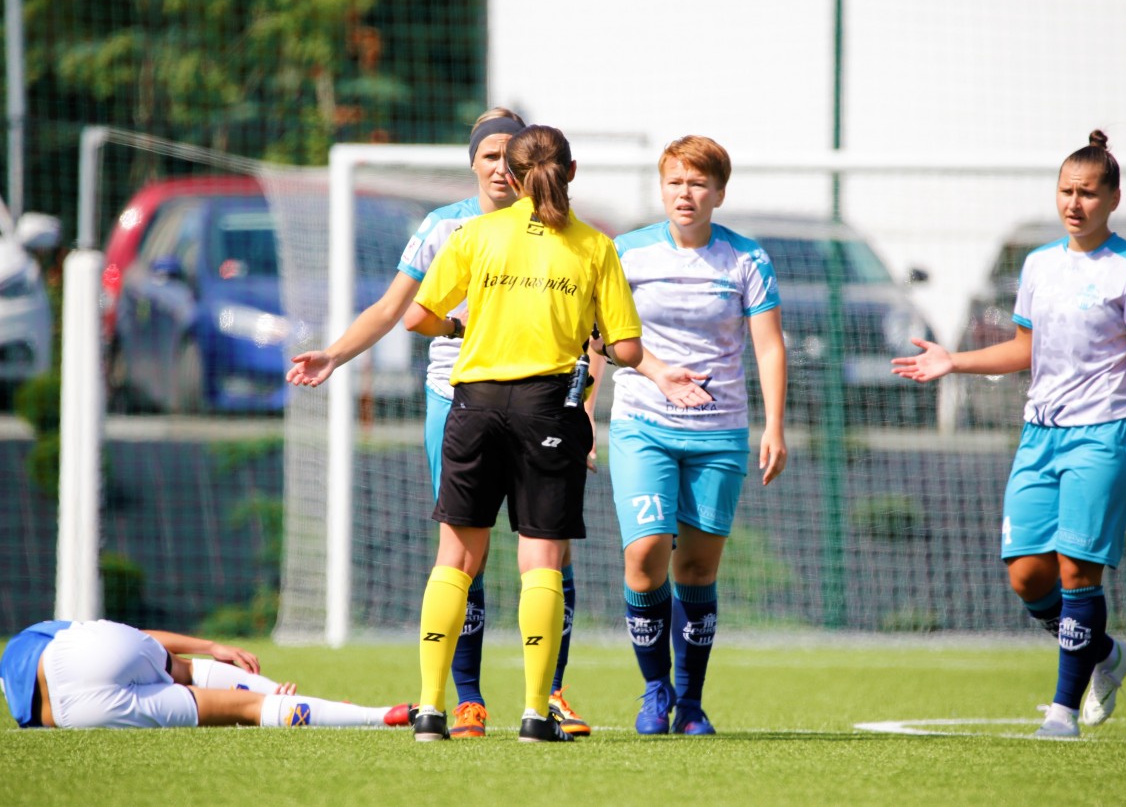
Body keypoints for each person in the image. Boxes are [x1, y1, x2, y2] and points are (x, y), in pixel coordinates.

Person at [286, 108, 592, 739]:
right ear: (473, 163)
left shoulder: (563, 231)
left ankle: (551, 692)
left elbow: (589, 337)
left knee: (548, 551)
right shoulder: (446, 227)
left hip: (542, 404)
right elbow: (395, 308)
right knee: (463, 549)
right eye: (489, 156)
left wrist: (580, 409)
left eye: (511, 156)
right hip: (455, 401)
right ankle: (469, 697)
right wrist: (335, 355)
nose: (501, 168)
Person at [892, 130, 1126, 738]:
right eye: (1066, 191)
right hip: (1040, 435)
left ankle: (1061, 713)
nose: (1075, 203)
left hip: (1104, 434)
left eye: (1088, 193)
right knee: (1027, 575)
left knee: (1078, 571)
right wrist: (953, 361)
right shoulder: (1039, 264)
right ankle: (1106, 653)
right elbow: (1024, 347)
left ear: (1113, 199)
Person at [401, 124, 644, 742]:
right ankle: (537, 713)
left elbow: (417, 317)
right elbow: (629, 350)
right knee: (541, 559)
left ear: (510, 174)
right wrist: (594, 333)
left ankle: (430, 709)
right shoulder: (595, 246)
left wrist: (460, 328)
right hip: (548, 409)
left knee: (456, 557)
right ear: (572, 171)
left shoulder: (475, 234)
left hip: (474, 405)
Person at [600, 135, 788, 735]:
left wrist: (774, 426)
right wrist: (582, 411)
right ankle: (654, 689)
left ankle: (690, 703)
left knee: (699, 570)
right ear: (662, 189)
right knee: (645, 554)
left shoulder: (746, 258)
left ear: (719, 194)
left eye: (698, 183)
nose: (686, 193)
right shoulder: (625, 252)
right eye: (675, 182)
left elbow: (768, 346)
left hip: (719, 433)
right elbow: (602, 338)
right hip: (642, 425)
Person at [0, 619, 412, 729]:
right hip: (80, 651)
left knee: (248, 710)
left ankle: (371, 717)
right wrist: (211, 646)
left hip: (72, 714)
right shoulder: (33, 637)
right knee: (185, 670)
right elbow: (139, 639)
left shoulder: (18, 695)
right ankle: (367, 713)